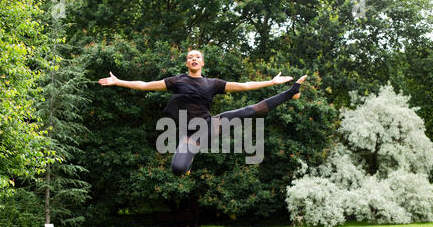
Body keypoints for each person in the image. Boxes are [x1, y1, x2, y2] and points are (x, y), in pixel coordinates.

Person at [99, 50, 307, 176]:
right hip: (190, 134)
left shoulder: (212, 83)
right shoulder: (177, 81)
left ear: (203, 63)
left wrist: (271, 82)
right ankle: (188, 164)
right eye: (190, 57)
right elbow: (145, 85)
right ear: (187, 63)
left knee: (249, 111)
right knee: (178, 170)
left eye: (197, 57)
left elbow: (244, 86)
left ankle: (291, 92)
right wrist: (119, 82)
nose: (194, 59)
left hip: (210, 125)